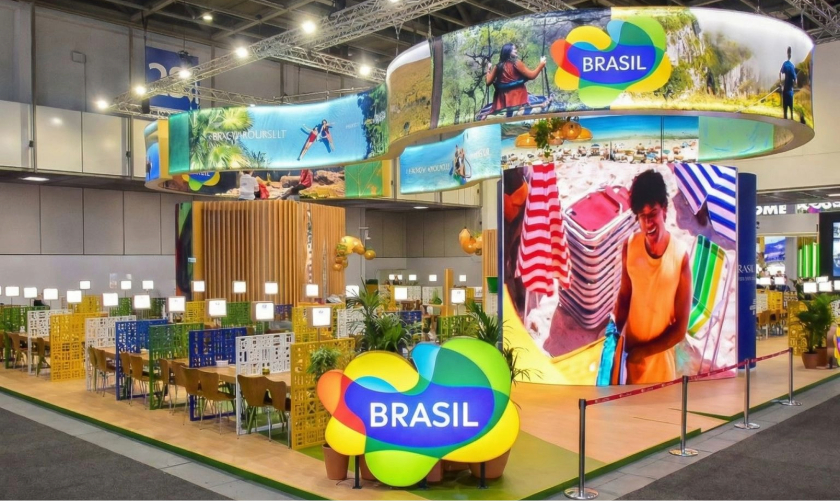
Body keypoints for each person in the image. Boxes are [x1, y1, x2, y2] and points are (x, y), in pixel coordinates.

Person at [613, 170, 692, 384]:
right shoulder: (630, 246)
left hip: (660, 367)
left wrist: (643, 352)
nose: (648, 223)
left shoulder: (680, 257)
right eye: (642, 216)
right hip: (629, 360)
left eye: (653, 213)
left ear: (664, 210)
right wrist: (613, 336)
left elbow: (680, 329)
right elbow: (624, 297)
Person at [485, 43, 546, 114]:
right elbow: (532, 76)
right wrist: (541, 64)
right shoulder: (517, 63)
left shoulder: (498, 66)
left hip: (502, 102)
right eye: (514, 49)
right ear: (508, 52)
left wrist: (488, 70)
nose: (516, 51)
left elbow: (488, 82)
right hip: (518, 99)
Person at [780, 46, 797, 120]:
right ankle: (791, 119)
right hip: (790, 91)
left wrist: (781, 84)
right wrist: (794, 84)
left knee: (785, 110)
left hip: (785, 90)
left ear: (787, 54)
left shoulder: (785, 64)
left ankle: (786, 120)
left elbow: (780, 73)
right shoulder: (792, 66)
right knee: (791, 110)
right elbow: (795, 81)